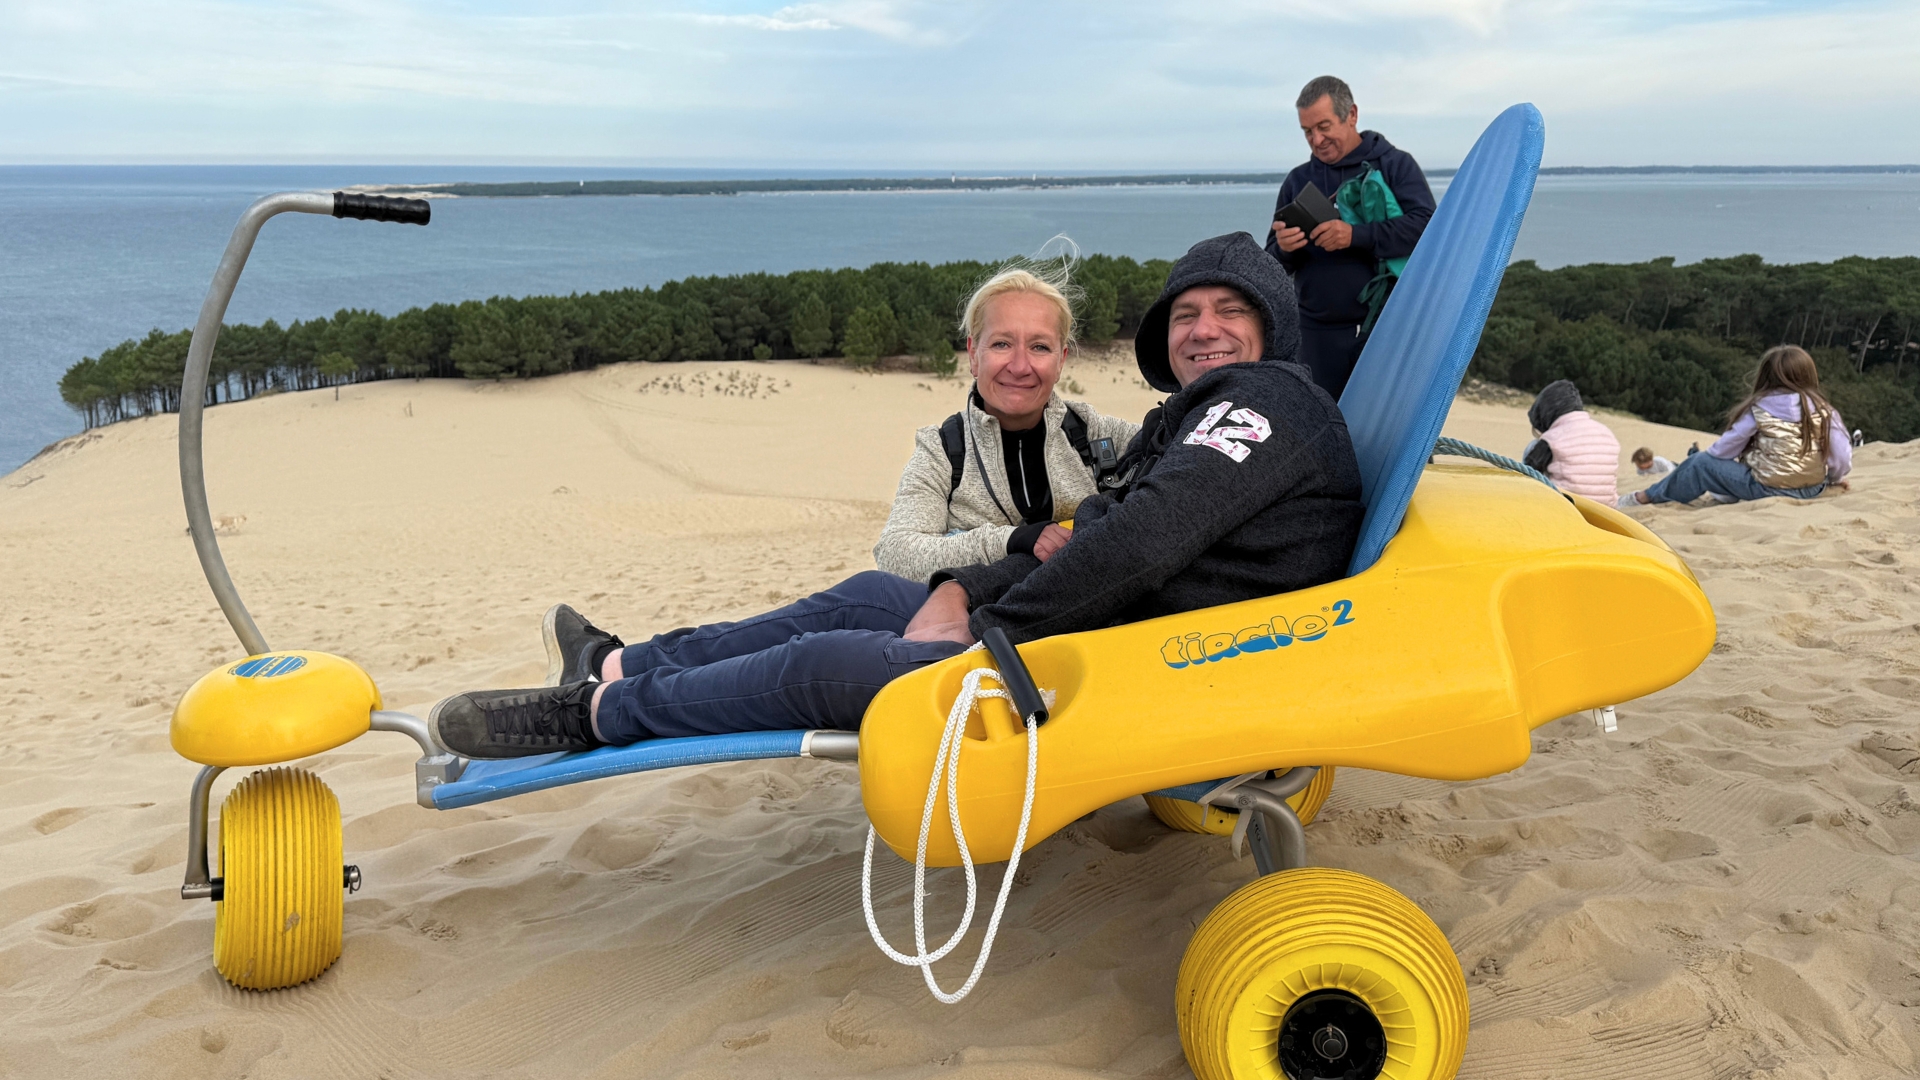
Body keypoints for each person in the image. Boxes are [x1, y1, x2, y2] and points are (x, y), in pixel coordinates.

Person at [430, 233, 1366, 758]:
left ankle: (593, 717)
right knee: (872, 598)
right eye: (1186, 316)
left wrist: (985, 621)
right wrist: (966, 589)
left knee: (822, 665)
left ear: (1271, 330)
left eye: (1229, 314)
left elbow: (1137, 543)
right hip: (1097, 630)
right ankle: (622, 668)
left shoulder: (1263, 404)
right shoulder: (1182, 424)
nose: (1203, 332)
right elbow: (1085, 538)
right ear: (971, 352)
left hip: (1113, 662)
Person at [873, 264, 1138, 582]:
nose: (1020, 366)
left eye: (1039, 347)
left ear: (1061, 361)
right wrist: (1008, 541)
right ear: (973, 354)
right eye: (1001, 344)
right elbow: (895, 554)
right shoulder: (942, 450)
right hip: (980, 627)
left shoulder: (1098, 434)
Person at [1266, 75, 1435, 399]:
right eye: (1307, 132)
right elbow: (1270, 259)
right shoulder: (1298, 179)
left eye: (1324, 126)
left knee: (1392, 436)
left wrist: (1356, 235)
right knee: (1321, 437)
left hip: (1387, 329)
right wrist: (1285, 250)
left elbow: (1427, 229)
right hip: (1316, 336)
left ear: (1352, 115)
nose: (1316, 139)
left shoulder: (1396, 165)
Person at [1619, 345, 1852, 509]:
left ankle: (1644, 497)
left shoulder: (1761, 407)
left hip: (1766, 489)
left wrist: (1713, 465)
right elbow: (1841, 456)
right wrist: (1832, 478)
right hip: (1813, 488)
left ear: (1766, 376)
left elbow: (1724, 450)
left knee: (1700, 463)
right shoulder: (1825, 410)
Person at [1520, 380, 1619, 502]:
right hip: (1605, 510)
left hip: (1568, 507)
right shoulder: (1607, 433)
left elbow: (1528, 473)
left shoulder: (1552, 438)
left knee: (1534, 446)